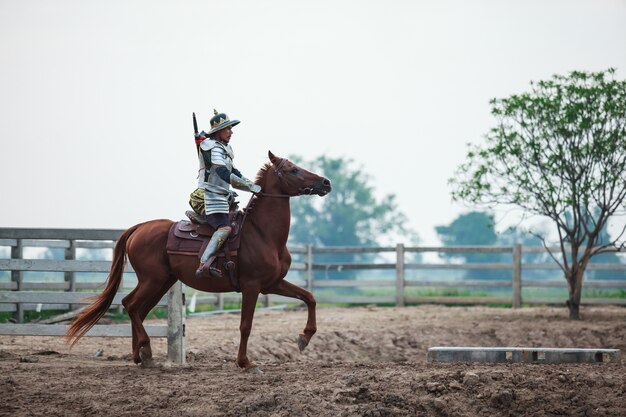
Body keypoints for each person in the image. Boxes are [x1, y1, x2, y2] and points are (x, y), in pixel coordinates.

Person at [191, 109, 261, 278]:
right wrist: (248, 188)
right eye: (227, 128)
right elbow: (222, 172)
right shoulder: (212, 148)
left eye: (230, 128)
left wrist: (252, 184)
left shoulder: (224, 149)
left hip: (221, 195)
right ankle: (204, 263)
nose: (231, 132)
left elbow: (234, 171)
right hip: (207, 195)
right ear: (218, 131)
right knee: (225, 227)